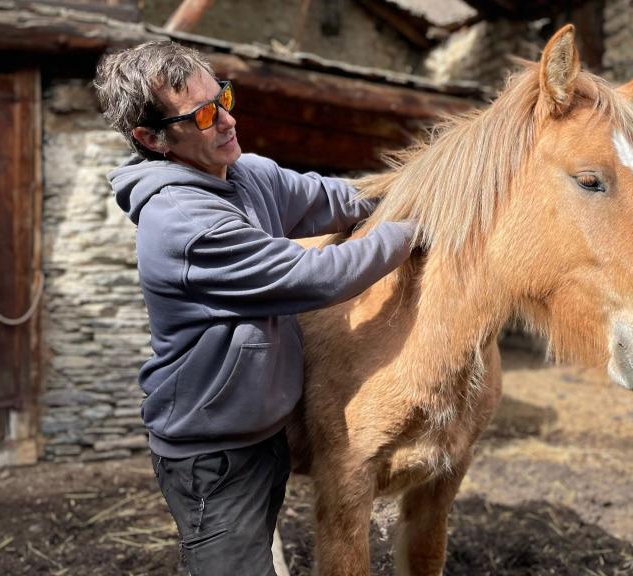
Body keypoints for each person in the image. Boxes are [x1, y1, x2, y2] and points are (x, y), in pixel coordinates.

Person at [93, 40, 414, 575]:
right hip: (211, 456)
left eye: (223, 97)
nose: (225, 120)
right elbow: (316, 276)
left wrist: (422, 191)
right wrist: (412, 230)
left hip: (263, 433)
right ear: (152, 139)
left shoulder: (244, 173)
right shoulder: (182, 222)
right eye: (200, 114)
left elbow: (330, 199)